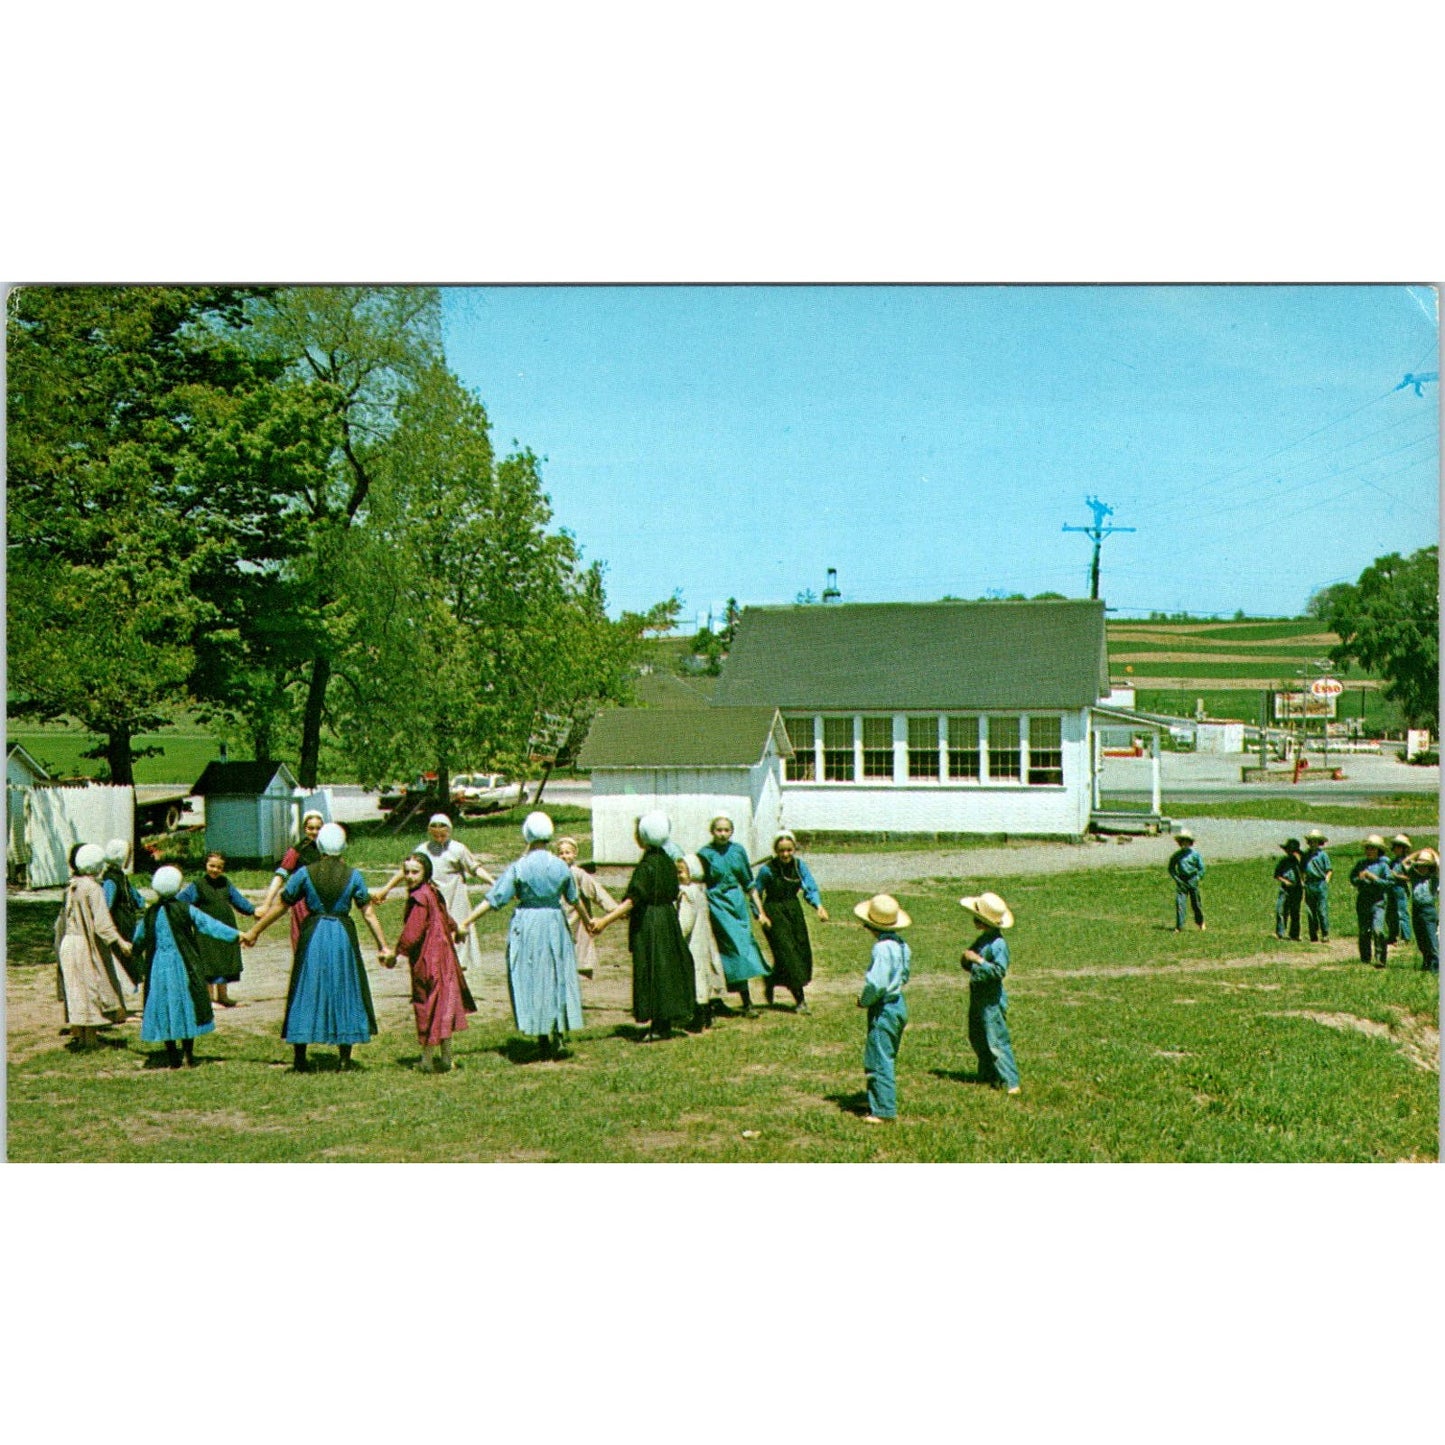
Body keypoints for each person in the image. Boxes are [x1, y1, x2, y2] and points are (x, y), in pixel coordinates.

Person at [244, 822, 389, 1073]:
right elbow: (368, 913)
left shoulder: (304, 873)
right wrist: (383, 946)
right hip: (342, 935)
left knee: (305, 988)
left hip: (313, 934)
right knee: (345, 988)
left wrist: (255, 930)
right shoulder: (354, 875)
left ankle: (300, 1056)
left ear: (319, 845)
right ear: (343, 847)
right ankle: (344, 1058)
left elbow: (281, 906)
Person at [458, 812, 582, 1059]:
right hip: (555, 922)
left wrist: (466, 921)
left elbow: (495, 898)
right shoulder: (561, 866)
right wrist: (588, 922)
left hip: (528, 923)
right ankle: (557, 1033)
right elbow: (574, 899)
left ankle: (542, 1035)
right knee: (557, 974)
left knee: (533, 977)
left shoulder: (520, 866)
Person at [589, 812, 696, 1041]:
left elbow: (632, 900)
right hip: (668, 918)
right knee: (665, 968)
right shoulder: (668, 860)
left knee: (652, 968)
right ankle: (663, 1021)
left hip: (650, 921)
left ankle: (657, 1024)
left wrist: (604, 921)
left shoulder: (647, 865)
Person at [133, 865, 237, 1069]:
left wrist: (131, 949)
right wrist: (236, 935)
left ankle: (172, 1055)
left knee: (163, 1004)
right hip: (183, 964)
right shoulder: (185, 909)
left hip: (158, 967)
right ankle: (188, 1054)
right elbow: (208, 924)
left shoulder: (151, 913)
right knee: (187, 1005)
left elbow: (139, 937)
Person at [387, 851, 476, 1073]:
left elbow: (413, 932)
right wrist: (456, 928)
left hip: (429, 958)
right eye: (406, 872)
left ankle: (427, 1060)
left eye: (415, 872)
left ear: (426, 872)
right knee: (444, 1005)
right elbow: (446, 917)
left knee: (426, 1004)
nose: (409, 876)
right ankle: (446, 1058)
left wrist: (396, 953)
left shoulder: (420, 897)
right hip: (445, 957)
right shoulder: (433, 891)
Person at [377, 814, 495, 979]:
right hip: (433, 900)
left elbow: (474, 868)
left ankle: (458, 978)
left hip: (456, 898)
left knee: (458, 935)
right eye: (435, 830)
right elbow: (405, 870)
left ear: (449, 830)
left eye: (443, 830)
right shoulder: (423, 850)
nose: (439, 834)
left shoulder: (458, 849)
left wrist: (492, 882)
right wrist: (386, 888)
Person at [54, 843, 133, 1048]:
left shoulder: (73, 885)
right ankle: (90, 1039)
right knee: (90, 987)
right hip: (83, 944)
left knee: (75, 990)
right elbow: (102, 923)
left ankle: (79, 1034)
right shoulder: (93, 888)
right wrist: (120, 941)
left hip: (68, 943)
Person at [697, 814, 770, 1016]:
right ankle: (733, 1001)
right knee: (725, 953)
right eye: (718, 830)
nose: (722, 834)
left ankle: (741, 1000)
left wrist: (760, 912)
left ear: (732, 831)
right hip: (716, 907)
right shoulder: (705, 854)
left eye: (726, 830)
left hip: (737, 906)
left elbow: (749, 883)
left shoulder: (738, 851)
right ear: (712, 832)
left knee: (743, 950)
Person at [751, 830, 830, 1012]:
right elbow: (755, 892)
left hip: (794, 911)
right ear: (775, 851)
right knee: (788, 955)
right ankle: (800, 1001)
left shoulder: (799, 866)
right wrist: (760, 914)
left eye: (789, 850)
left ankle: (772, 979)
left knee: (800, 951)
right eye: (781, 851)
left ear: (794, 849)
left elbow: (809, 887)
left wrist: (818, 906)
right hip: (774, 913)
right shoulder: (767, 870)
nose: (785, 854)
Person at [854, 893, 912, 1124]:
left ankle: (884, 1110)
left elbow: (876, 983)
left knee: (879, 1057)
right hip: (899, 1002)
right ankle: (877, 1098)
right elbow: (904, 974)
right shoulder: (902, 945)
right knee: (887, 1053)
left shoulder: (881, 949)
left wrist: (864, 1000)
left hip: (884, 1006)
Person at [959, 891, 1021, 1094]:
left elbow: (998, 971)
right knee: (978, 1036)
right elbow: (969, 962)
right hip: (978, 995)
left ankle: (1011, 1082)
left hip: (991, 999)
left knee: (996, 1040)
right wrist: (967, 960)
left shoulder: (998, 945)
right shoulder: (983, 939)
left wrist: (978, 961)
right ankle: (988, 1075)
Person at [177, 851, 255, 1007]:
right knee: (209, 963)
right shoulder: (198, 885)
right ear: (205, 865)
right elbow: (181, 902)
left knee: (225, 961)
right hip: (206, 931)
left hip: (226, 928)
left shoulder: (225, 883)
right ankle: (210, 999)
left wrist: (253, 911)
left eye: (219, 867)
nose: (215, 870)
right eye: (211, 866)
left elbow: (239, 901)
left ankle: (223, 996)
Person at [258, 808, 326, 955]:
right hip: (303, 904)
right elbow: (280, 876)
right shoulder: (297, 851)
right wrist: (267, 903)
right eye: (311, 828)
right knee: (304, 943)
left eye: (318, 828)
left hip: (325, 902)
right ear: (304, 829)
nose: (315, 832)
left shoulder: (329, 850)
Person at [677, 853, 728, 1027]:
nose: (679, 876)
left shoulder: (687, 893)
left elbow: (685, 922)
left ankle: (697, 1018)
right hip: (704, 940)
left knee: (696, 976)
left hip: (693, 942)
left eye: (682, 872)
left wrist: (677, 936)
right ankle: (707, 1014)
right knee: (704, 976)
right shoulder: (701, 890)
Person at [555, 835, 617, 980]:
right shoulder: (554, 873)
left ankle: (578, 978)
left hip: (578, 918)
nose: (564, 856)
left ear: (575, 854)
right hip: (561, 916)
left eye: (567, 853)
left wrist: (614, 909)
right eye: (561, 853)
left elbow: (596, 892)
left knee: (580, 950)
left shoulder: (578, 874)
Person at [101, 837, 145, 988]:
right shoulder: (111, 881)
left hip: (128, 926)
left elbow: (137, 899)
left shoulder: (122, 878)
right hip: (119, 927)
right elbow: (106, 906)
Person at [1349, 835, 1393, 968]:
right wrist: (1360, 879)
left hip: (1378, 901)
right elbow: (1352, 879)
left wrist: (1373, 878)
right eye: (1367, 848)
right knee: (1364, 930)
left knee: (1378, 930)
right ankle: (1365, 957)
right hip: (1363, 900)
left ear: (1378, 850)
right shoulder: (1361, 864)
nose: (1369, 851)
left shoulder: (1383, 866)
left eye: (1372, 848)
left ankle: (1380, 958)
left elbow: (1389, 883)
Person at [1404, 848, 1439, 973]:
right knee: (1421, 939)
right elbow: (1405, 863)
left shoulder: (1433, 878)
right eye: (1419, 866)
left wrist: (1433, 854)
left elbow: (1440, 867)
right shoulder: (1414, 876)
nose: (1422, 868)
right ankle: (1427, 962)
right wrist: (1419, 852)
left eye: (1425, 866)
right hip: (1417, 909)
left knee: (1431, 939)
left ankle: (1436, 966)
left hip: (1428, 910)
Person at [1168, 828, 1205, 931]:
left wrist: (1198, 878)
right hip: (1181, 880)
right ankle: (1179, 926)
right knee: (1180, 903)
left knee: (1196, 903)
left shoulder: (1195, 855)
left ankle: (1200, 923)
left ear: (1190, 843)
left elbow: (1201, 868)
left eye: (1187, 842)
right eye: (1182, 842)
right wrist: (1176, 878)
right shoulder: (1177, 855)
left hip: (1192, 879)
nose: (1185, 844)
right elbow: (1171, 868)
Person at [1302, 829, 1333, 942]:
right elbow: (1302, 869)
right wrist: (1302, 881)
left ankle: (1325, 934)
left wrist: (1327, 879)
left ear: (1319, 842)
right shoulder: (1305, 855)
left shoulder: (1323, 855)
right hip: (1309, 883)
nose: (1313, 843)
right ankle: (1313, 934)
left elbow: (1329, 869)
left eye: (1315, 841)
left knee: (1321, 910)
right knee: (1310, 911)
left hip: (1320, 883)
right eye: (1311, 841)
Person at [1386, 834, 1415, 945]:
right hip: (1391, 889)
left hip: (1401, 889)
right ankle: (1392, 935)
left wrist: (1396, 876)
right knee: (1390, 913)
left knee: (1401, 913)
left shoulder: (1407, 862)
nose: (1396, 849)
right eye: (1395, 846)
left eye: (1399, 847)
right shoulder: (1392, 862)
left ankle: (1405, 937)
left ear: (1404, 849)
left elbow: (1410, 877)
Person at [1274, 838, 1304, 941]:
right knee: (1281, 910)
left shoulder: (1301, 861)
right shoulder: (1284, 861)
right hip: (1285, 888)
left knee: (1295, 912)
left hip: (1297, 889)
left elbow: (1304, 872)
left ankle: (1294, 934)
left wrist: (1299, 860)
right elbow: (1277, 875)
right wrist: (1285, 881)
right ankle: (1280, 933)